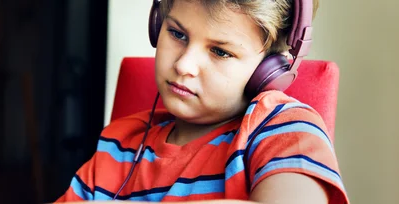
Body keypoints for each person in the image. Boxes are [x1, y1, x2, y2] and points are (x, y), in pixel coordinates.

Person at [55, 0, 348, 203]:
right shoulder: (119, 141)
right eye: (177, 33)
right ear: (157, 26)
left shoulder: (284, 129)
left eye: (220, 51)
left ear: (271, 70)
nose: (184, 65)